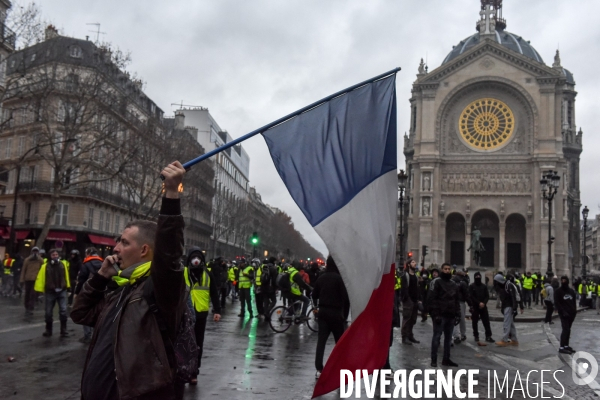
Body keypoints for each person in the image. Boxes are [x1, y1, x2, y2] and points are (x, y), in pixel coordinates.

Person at [71, 161, 188, 400]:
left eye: (124, 242)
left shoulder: (157, 289)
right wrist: (101, 277)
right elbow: (80, 314)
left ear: (144, 250)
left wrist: (171, 194)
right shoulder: (123, 290)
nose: (116, 247)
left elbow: (169, 256)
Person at [184, 247, 221, 385]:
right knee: (183, 343)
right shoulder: (183, 273)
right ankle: (182, 368)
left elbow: (214, 294)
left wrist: (217, 310)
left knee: (198, 344)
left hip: (200, 315)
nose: (196, 260)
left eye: (198, 257)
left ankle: (194, 371)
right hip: (184, 313)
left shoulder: (207, 274)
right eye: (193, 257)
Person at [312, 256, 349, 379]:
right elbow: (345, 298)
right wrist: (345, 314)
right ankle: (339, 366)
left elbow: (314, 294)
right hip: (336, 313)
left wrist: (316, 307)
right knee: (339, 342)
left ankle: (319, 368)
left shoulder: (321, 277)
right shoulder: (339, 279)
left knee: (321, 341)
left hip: (323, 312)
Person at [427, 262, 460, 367]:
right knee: (437, 337)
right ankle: (434, 359)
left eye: (448, 269)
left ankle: (446, 359)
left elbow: (456, 300)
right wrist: (435, 314)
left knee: (448, 338)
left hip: (450, 315)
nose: (447, 270)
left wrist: (458, 313)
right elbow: (432, 299)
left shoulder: (453, 284)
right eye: (445, 269)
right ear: (442, 270)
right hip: (440, 315)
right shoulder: (436, 282)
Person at [34, 249, 71, 337]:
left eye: (56, 254)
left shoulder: (63, 264)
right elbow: (41, 278)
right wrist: (40, 291)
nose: (55, 256)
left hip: (61, 290)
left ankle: (63, 330)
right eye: (53, 255)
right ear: (50, 256)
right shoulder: (45, 266)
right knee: (48, 312)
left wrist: (68, 288)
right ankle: (48, 330)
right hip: (50, 291)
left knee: (63, 310)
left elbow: (66, 276)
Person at [74, 248, 104, 343]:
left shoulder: (86, 264)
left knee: (87, 312)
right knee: (99, 312)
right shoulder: (103, 263)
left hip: (88, 291)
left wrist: (77, 292)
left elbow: (81, 279)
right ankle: (97, 335)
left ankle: (87, 336)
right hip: (101, 291)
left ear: (88, 254)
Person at [494, 273, 524, 347]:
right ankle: (514, 339)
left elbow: (513, 297)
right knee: (511, 323)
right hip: (507, 306)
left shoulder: (508, 285)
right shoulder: (504, 286)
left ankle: (504, 339)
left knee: (506, 323)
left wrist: (515, 308)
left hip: (509, 306)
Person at [469, 271, 494, 343]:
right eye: (476, 277)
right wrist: (478, 303)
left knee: (486, 321)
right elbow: (471, 296)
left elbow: (487, 296)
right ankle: (476, 335)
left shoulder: (484, 286)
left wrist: (484, 303)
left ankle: (488, 336)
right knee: (474, 322)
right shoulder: (472, 286)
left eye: (479, 277)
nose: (478, 278)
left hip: (483, 306)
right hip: (475, 306)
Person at [554, 276, 577, 354]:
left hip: (571, 313)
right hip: (563, 313)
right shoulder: (558, 291)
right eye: (562, 280)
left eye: (565, 280)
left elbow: (574, 302)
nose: (563, 281)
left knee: (568, 330)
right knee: (565, 329)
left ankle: (566, 345)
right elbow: (557, 302)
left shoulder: (571, 291)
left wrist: (574, 311)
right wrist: (562, 312)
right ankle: (561, 347)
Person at [400, 258, 421, 344]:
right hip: (408, 301)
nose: (415, 263)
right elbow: (404, 289)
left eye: (415, 262)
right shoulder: (405, 275)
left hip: (415, 300)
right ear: (408, 264)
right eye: (413, 262)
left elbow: (417, 288)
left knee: (413, 319)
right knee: (407, 319)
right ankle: (404, 337)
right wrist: (407, 299)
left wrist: (419, 299)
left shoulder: (415, 276)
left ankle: (410, 335)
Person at [20, 247, 44, 315]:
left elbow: (43, 270)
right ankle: (27, 306)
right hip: (28, 279)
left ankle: (31, 308)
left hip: (36, 280)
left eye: (36, 251)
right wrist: (22, 279)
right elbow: (23, 270)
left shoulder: (40, 260)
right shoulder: (27, 260)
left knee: (33, 294)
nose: (35, 253)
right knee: (27, 294)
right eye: (34, 251)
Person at [452, 270, 470, 343]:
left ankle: (456, 335)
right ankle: (463, 334)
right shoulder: (463, 283)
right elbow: (466, 295)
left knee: (455, 319)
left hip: (452, 302)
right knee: (462, 319)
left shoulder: (452, 282)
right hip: (461, 302)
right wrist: (470, 304)